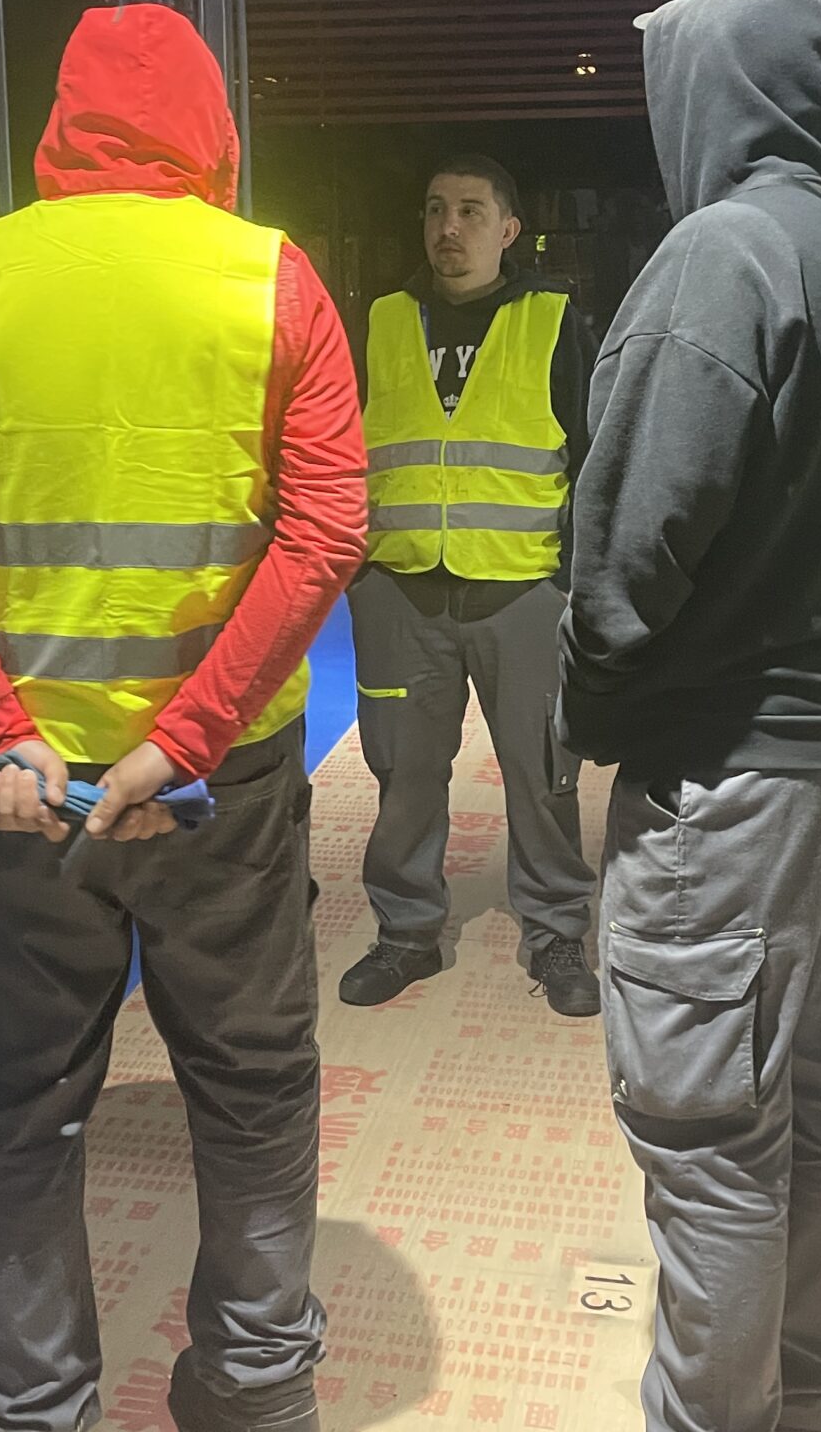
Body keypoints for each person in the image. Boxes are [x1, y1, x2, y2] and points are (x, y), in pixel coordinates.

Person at [0, 3, 365, 1432]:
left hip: (26, 794)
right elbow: (325, 531)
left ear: (62, 124)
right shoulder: (271, 281)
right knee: (253, 1085)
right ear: (213, 129)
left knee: (23, 1101)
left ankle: (30, 1397)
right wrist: (180, 743)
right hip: (218, 786)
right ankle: (255, 1387)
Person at [559, 0, 821, 1432]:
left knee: (705, 1132)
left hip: (729, 765)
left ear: (712, 92)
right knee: (802, 1085)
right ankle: (818, 1392)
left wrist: (589, 718)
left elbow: (627, 545)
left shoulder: (720, 253)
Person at [340, 156, 599, 1016]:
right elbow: (338, 449)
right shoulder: (380, 319)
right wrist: (358, 569)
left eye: (470, 212)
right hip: (401, 591)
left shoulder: (554, 319)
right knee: (403, 772)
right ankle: (406, 933)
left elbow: (596, 455)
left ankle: (556, 931)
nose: (448, 227)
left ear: (509, 229)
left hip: (522, 592)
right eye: (434, 209)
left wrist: (574, 579)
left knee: (544, 773)